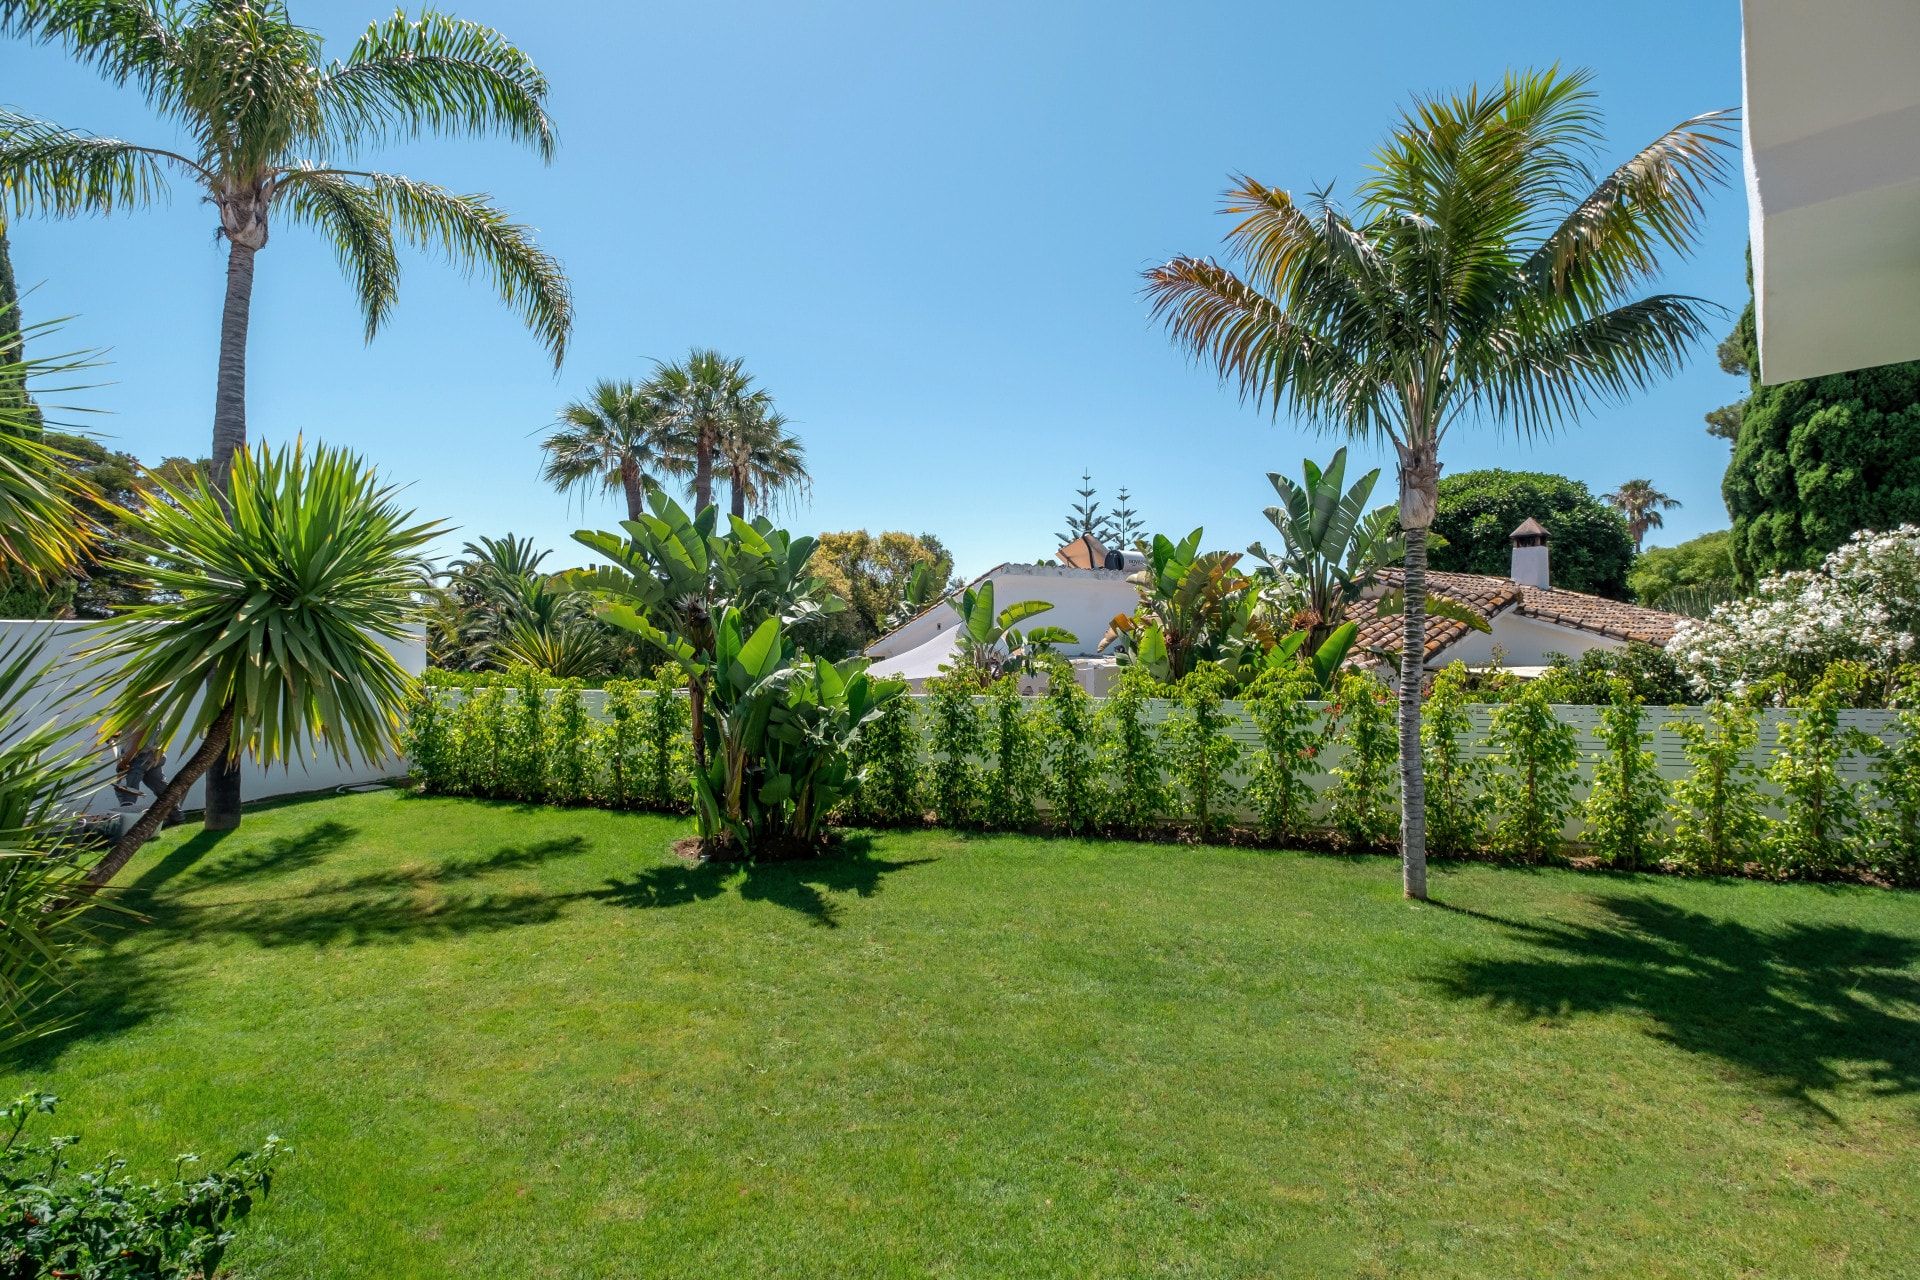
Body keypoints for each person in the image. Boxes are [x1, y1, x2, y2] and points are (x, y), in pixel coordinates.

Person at [113, 722, 182, 827]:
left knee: (126, 792)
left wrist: (126, 760)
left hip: (139, 757)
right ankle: (177, 816)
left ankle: (127, 827)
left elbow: (140, 738)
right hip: (154, 755)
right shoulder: (154, 708)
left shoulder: (142, 712)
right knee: (160, 786)